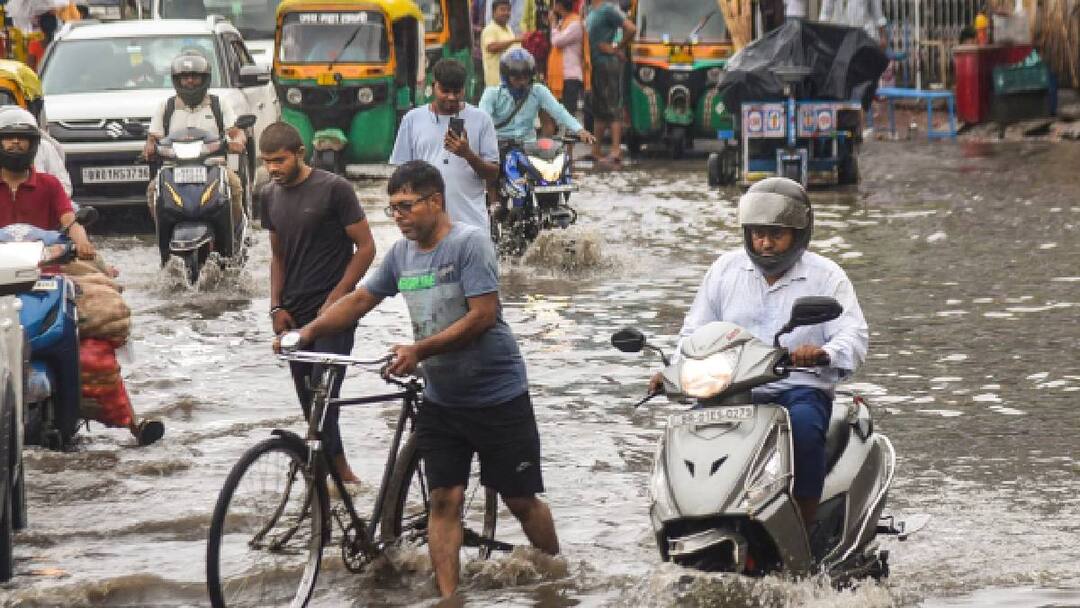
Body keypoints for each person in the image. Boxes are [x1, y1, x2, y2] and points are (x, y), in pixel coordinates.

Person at [283, 160, 559, 599]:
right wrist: (306, 333)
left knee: (520, 499)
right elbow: (360, 299)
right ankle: (450, 598)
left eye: (407, 206)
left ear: (435, 201)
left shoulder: (469, 244)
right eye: (393, 208)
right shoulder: (401, 255)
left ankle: (557, 579)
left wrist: (419, 351)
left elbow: (483, 316)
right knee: (444, 500)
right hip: (442, 399)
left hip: (496, 395)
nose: (399, 216)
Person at [650, 177, 868, 526]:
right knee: (687, 433)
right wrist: (673, 371)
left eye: (776, 234)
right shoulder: (725, 270)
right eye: (758, 234)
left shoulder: (827, 276)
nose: (765, 243)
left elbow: (853, 334)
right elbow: (694, 331)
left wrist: (823, 353)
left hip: (797, 389)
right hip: (729, 390)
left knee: (804, 432)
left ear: (798, 234)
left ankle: (802, 526)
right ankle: (687, 517)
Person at [0, 111, 164, 446]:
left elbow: (69, 221)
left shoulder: (49, 185)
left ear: (34, 145)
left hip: (47, 272)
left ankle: (133, 423)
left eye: (22, 138)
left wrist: (81, 242)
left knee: (95, 345)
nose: (14, 144)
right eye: (8, 138)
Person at [259, 121, 376, 485]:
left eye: (279, 160)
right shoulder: (269, 195)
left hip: (334, 314)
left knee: (323, 397)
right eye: (266, 162)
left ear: (300, 154)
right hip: (293, 315)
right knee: (308, 401)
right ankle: (329, 478)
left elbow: (366, 248)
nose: (273, 168)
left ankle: (340, 476)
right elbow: (277, 256)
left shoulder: (335, 189)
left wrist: (337, 298)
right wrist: (276, 307)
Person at [390, 59, 499, 232]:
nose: (451, 97)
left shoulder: (481, 119)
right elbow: (401, 177)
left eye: (457, 91)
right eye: (445, 91)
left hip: (471, 226)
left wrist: (467, 154)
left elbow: (492, 174)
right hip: (425, 227)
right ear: (434, 86)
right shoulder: (412, 120)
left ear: (464, 89)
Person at [143, 52, 247, 225]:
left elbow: (235, 132)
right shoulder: (166, 106)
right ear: (177, 80)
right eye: (185, 77)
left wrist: (237, 141)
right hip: (173, 169)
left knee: (234, 186)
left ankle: (235, 231)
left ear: (205, 79)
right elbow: (153, 137)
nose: (190, 81)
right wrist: (149, 147)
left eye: (195, 77)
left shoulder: (219, 104)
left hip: (214, 167)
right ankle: (163, 236)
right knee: (153, 191)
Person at [480, 48, 594, 144]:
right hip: (499, 146)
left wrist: (579, 130)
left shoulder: (538, 91)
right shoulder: (492, 94)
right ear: (506, 77)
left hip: (528, 145)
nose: (522, 82)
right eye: (517, 78)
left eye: (526, 77)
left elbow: (559, 111)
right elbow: (482, 121)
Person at [585, 0, 636, 168]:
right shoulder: (591, 11)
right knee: (599, 108)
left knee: (612, 107)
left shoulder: (608, 10)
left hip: (606, 63)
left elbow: (631, 28)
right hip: (595, 65)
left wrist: (616, 47)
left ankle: (615, 150)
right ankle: (596, 149)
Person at [0, 106, 72, 197]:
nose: (16, 141)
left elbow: (64, 188)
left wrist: (40, 198)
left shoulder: (45, 147)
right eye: (9, 137)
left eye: (22, 137)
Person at [547, 0, 588, 119]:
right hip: (561, 76)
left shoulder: (575, 23)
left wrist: (553, 24)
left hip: (570, 76)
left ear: (559, 5)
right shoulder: (563, 22)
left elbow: (557, 41)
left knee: (568, 114)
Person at [481, 0, 522, 88]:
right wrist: (513, 41)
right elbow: (491, 47)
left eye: (508, 10)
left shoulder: (509, 29)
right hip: (496, 84)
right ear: (493, 12)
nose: (506, 13)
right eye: (502, 10)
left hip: (509, 83)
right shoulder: (490, 29)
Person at [819, 0, 887, 45]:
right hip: (842, 37)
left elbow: (877, 13)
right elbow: (825, 14)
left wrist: (883, 36)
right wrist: (821, 37)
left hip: (865, 35)